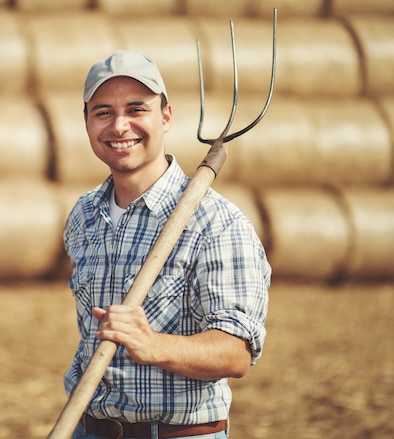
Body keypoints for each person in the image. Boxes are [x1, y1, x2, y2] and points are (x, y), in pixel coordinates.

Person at [63, 49, 271, 439]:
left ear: (166, 116)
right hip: (86, 429)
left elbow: (236, 353)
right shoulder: (84, 215)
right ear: (87, 121)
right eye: (103, 111)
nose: (119, 125)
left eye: (137, 109)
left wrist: (152, 344)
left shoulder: (217, 223)